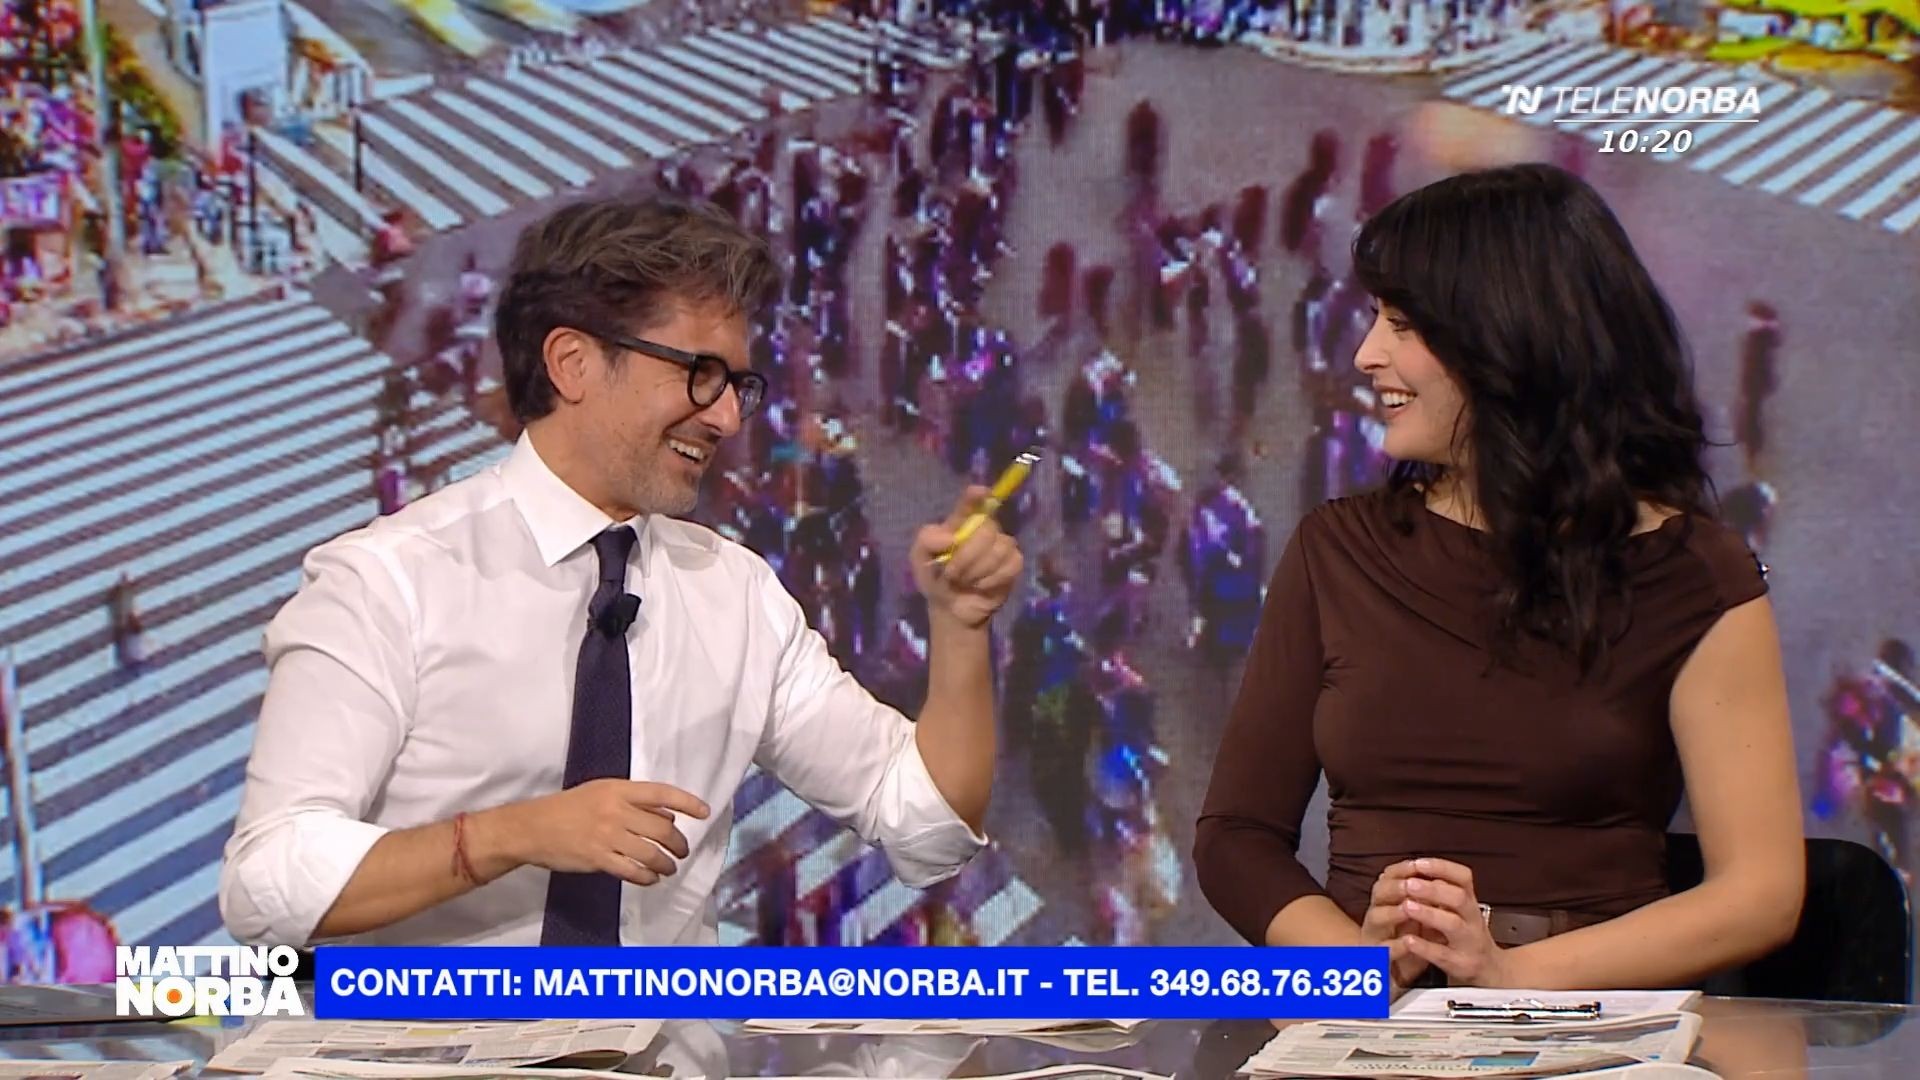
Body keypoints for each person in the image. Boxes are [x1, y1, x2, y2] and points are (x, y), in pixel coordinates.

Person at [220, 194, 1023, 947]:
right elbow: (265, 884)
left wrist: (960, 630)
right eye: (699, 373)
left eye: (738, 385)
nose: (727, 417)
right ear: (572, 363)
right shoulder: (387, 583)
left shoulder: (739, 598)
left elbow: (925, 826)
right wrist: (511, 834)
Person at [1194, 164, 1805, 992]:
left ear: (1509, 339)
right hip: (1374, 1017)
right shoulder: (1335, 552)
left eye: (1403, 325)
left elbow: (1760, 894)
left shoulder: (1698, 576)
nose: (1367, 354)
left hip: (1588, 1017)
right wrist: (1352, 969)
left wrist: (1509, 976)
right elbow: (1235, 837)